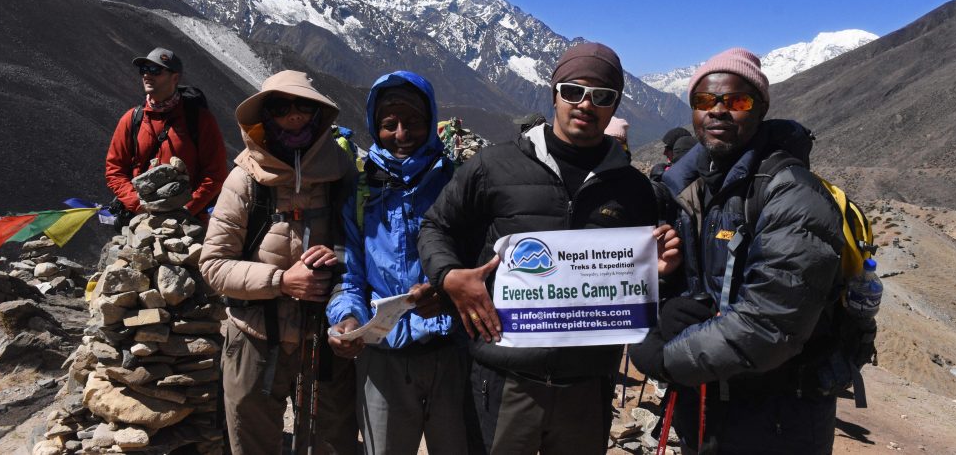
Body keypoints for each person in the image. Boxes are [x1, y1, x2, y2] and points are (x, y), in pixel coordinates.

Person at [418, 42, 679, 455]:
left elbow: (648, 276)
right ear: (554, 92)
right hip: (505, 379)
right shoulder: (493, 167)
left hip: (587, 387)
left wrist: (661, 271)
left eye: (602, 96)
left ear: (615, 105)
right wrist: (450, 276)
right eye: (573, 91)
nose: (585, 105)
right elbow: (436, 226)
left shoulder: (636, 191)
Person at [630, 48, 844, 454]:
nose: (718, 111)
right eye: (704, 101)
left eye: (737, 101)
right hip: (708, 404)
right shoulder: (696, 190)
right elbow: (710, 287)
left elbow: (769, 322)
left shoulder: (792, 195)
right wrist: (667, 288)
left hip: (777, 419)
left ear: (760, 109)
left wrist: (665, 359)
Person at [199, 70, 359, 455]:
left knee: (331, 446)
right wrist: (282, 280)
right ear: (266, 116)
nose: (294, 116)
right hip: (254, 337)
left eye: (304, 105)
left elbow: (364, 247)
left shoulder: (341, 175)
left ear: (318, 113)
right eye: (281, 107)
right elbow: (214, 265)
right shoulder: (244, 181)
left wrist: (336, 260)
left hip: (325, 338)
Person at [327, 71, 466, 455]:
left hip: (452, 351)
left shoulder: (456, 182)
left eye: (414, 122)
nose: (402, 134)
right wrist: (347, 319)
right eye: (389, 125)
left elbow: (476, 263)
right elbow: (348, 274)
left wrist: (447, 297)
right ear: (375, 125)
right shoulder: (359, 188)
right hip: (382, 354)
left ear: (430, 121)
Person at [105, 47, 227, 221]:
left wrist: (186, 209)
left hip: (188, 223)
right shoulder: (132, 119)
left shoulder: (199, 120)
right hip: (139, 219)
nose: (147, 75)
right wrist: (139, 205)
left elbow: (215, 174)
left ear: (175, 77)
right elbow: (115, 170)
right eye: (144, 70)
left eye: (155, 70)